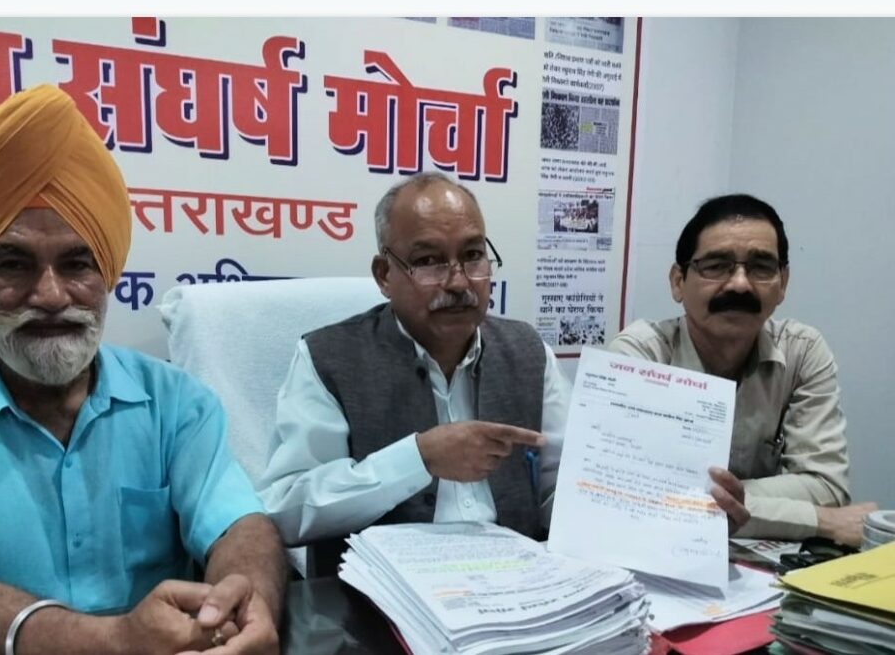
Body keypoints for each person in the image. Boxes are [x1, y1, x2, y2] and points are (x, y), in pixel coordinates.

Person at [0, 85, 286, 655]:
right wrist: (113, 641)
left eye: (76, 264)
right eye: (13, 264)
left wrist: (248, 598)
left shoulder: (175, 401)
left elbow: (240, 524)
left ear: (107, 274)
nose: (50, 295)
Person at [257, 172, 749, 572]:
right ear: (384, 275)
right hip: (380, 608)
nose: (458, 282)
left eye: (473, 256)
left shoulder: (527, 351)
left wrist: (676, 518)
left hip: (517, 589)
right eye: (429, 261)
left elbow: (565, 489)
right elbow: (285, 509)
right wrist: (417, 460)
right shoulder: (327, 356)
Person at [609, 193, 876, 546]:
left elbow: (826, 487)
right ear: (678, 281)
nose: (739, 284)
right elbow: (627, 496)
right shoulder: (642, 355)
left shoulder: (802, 351)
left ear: (783, 283)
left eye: (761, 267)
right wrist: (817, 520)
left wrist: (703, 500)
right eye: (716, 265)